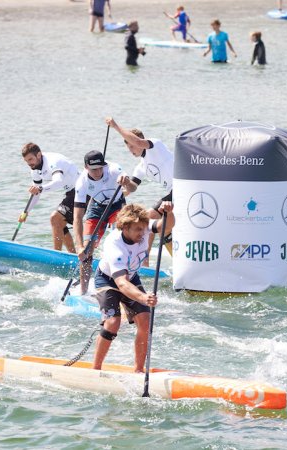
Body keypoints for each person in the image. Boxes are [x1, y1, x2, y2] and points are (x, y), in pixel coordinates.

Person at [92, 202, 175, 372]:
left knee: (145, 320)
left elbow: (167, 225)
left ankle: (138, 370)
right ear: (125, 228)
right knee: (113, 322)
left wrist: (168, 212)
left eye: (143, 229)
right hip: (108, 280)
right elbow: (121, 283)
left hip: (131, 276)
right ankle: (96, 369)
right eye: (137, 230)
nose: (142, 233)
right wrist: (144, 297)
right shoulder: (114, 244)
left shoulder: (143, 228)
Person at [105, 117, 174, 266]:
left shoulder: (155, 145)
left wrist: (116, 126)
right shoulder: (141, 166)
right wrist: (124, 185)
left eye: (132, 146)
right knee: (162, 228)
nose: (131, 150)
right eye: (128, 148)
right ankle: (172, 259)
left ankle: (144, 262)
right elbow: (132, 188)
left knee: (147, 218)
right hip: (172, 193)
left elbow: (138, 142)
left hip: (181, 186)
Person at [73, 150, 134, 295]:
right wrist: (79, 246)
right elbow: (77, 217)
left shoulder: (114, 170)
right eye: (94, 169)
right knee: (87, 250)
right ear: (86, 167)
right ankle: (83, 291)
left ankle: (123, 287)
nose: (98, 172)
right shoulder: (81, 182)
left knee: (119, 243)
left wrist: (127, 182)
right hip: (97, 207)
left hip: (117, 205)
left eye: (100, 167)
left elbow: (133, 188)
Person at [19, 143, 80, 252]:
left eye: (30, 159)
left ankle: (56, 255)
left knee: (55, 218)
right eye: (26, 161)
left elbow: (58, 181)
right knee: (59, 223)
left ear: (38, 155)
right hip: (71, 192)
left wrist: (40, 189)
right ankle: (73, 256)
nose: (29, 163)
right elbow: (35, 192)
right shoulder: (35, 169)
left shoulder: (52, 162)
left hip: (82, 190)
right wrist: (26, 211)